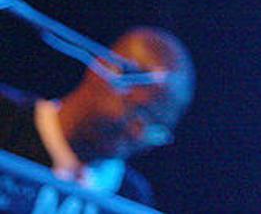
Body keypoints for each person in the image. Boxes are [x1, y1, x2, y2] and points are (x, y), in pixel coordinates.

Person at [0, 26, 195, 206]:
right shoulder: (7, 117)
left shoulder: (130, 196)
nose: (137, 133)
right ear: (102, 70)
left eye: (155, 130)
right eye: (139, 113)